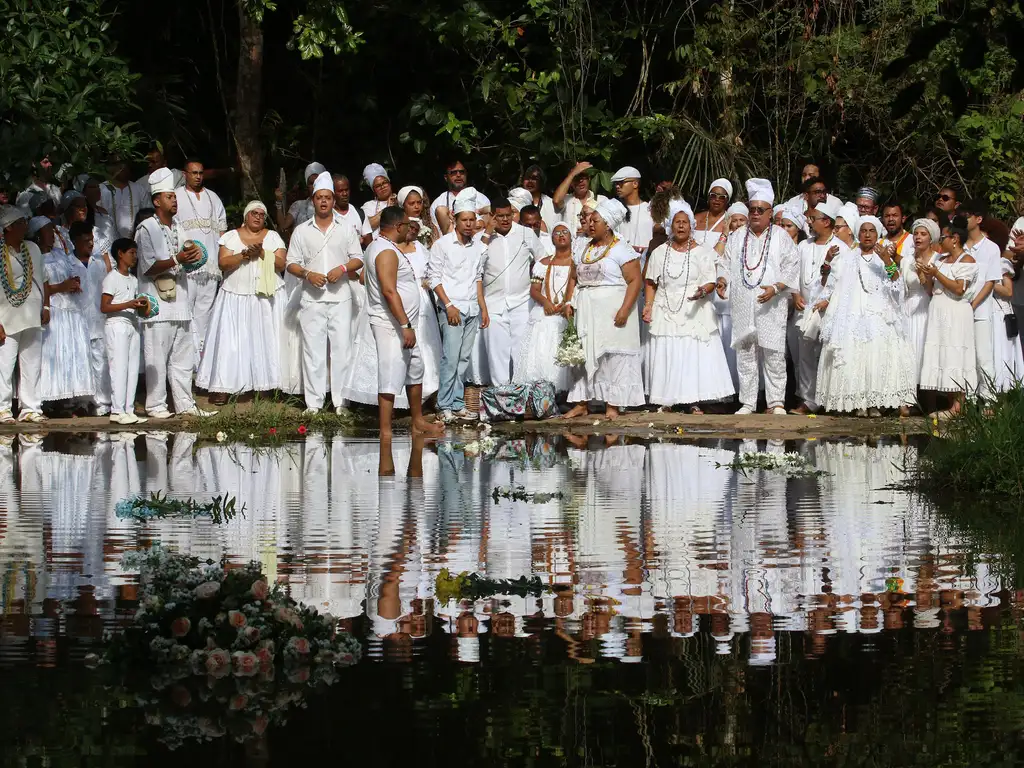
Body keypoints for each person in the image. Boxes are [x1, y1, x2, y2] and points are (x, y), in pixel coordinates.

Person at [814, 217, 916, 415]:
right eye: (863, 231)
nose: (867, 235)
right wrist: (825, 295)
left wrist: (887, 260)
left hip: (879, 313)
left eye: (872, 231)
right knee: (854, 355)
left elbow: (897, 284)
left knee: (876, 355)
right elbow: (832, 281)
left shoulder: (885, 256)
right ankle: (858, 403)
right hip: (851, 313)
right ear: (857, 234)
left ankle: (874, 403)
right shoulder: (847, 257)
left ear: (878, 234)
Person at [643, 200, 734, 412]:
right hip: (665, 308)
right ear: (671, 226)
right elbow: (650, 282)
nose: (681, 226)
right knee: (669, 354)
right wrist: (648, 305)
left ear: (691, 225)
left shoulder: (701, 252)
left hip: (694, 310)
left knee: (691, 355)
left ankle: (693, 401)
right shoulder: (659, 252)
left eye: (685, 222)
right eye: (677, 222)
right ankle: (667, 400)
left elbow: (710, 280)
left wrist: (703, 291)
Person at [286, 171, 364, 414]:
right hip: (312, 298)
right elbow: (291, 263)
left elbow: (358, 259)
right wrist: (308, 274)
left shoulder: (346, 228)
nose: (323, 202)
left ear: (332, 200)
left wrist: (341, 269)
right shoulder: (301, 230)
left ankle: (341, 402)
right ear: (313, 200)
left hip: (341, 297)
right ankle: (314, 404)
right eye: (319, 197)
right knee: (313, 351)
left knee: (342, 349)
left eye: (327, 198)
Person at [137, 168, 212, 419]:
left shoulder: (179, 226)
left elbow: (189, 258)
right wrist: (177, 258)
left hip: (181, 299)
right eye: (170, 197)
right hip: (157, 303)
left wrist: (195, 257)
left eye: (175, 197)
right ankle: (156, 405)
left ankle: (185, 404)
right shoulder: (146, 228)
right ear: (157, 201)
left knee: (182, 358)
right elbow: (148, 267)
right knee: (157, 357)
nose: (175, 200)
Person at [364, 207, 445, 437]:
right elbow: (389, 291)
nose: (411, 229)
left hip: (404, 324)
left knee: (415, 369)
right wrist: (405, 325)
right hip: (392, 325)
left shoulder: (385, 247)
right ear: (398, 226)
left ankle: (418, 421)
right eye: (408, 225)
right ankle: (386, 430)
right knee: (390, 375)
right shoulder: (384, 251)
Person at [721, 179, 799, 415]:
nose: (754, 214)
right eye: (751, 209)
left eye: (759, 210)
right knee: (746, 354)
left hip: (771, 304)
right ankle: (748, 403)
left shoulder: (780, 236)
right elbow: (724, 263)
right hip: (743, 303)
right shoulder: (736, 237)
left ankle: (776, 403)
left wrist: (776, 288)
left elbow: (792, 267)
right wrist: (722, 280)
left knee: (774, 354)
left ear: (770, 213)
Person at [562, 198, 645, 420]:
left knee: (612, 357)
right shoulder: (582, 247)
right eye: (589, 220)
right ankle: (581, 403)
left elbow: (635, 280)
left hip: (613, 311)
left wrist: (625, 310)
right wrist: (569, 301)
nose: (589, 224)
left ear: (608, 224)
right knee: (582, 355)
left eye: (595, 221)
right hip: (586, 309)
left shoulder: (621, 248)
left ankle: (613, 405)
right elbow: (573, 277)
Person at [197, 201, 287, 402]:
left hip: (266, 297)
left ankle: (267, 386)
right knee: (231, 341)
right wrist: (245, 254)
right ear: (246, 216)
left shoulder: (272, 237)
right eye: (254, 213)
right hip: (235, 295)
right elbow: (223, 263)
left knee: (267, 340)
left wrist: (262, 253)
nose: (258, 217)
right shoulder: (230, 236)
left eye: (262, 214)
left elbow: (282, 264)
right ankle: (224, 386)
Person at [427, 191, 488, 421]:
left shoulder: (478, 247)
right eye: (465, 220)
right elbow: (434, 278)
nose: (469, 224)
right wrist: (448, 305)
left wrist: (483, 307)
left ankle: (456, 402)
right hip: (452, 308)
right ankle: (444, 405)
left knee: (463, 359)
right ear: (454, 218)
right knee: (450, 358)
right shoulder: (442, 245)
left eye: (472, 220)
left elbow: (478, 278)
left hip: (472, 307)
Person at [480, 198, 545, 385]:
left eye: (509, 215)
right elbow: (474, 265)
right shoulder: (483, 239)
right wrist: (487, 233)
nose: (506, 219)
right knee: (497, 351)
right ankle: (501, 395)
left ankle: (522, 394)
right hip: (493, 302)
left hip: (522, 301)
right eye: (500, 216)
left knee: (521, 349)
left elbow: (543, 259)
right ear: (492, 216)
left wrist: (535, 282)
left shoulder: (525, 233)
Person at [789, 200, 846, 414]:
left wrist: (829, 301)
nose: (810, 222)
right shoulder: (804, 246)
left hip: (829, 309)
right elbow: (793, 273)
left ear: (827, 222)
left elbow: (843, 281)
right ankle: (808, 400)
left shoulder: (841, 248)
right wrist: (795, 294)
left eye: (813, 219)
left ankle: (829, 399)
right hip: (805, 308)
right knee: (804, 355)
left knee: (827, 355)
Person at [918, 219, 978, 415]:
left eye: (944, 237)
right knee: (943, 355)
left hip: (956, 312)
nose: (940, 240)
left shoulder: (967, 260)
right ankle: (949, 403)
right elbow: (929, 289)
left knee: (956, 354)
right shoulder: (940, 260)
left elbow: (960, 288)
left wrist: (937, 274)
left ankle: (958, 406)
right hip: (939, 311)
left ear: (955, 239)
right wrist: (925, 274)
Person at [514, 223, 577, 394]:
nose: (561, 235)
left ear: (571, 237)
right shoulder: (543, 263)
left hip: (567, 313)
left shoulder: (577, 262)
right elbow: (534, 290)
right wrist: (545, 302)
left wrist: (567, 304)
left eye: (565, 232)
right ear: (552, 239)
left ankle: (563, 394)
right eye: (557, 233)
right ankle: (540, 393)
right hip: (544, 312)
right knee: (540, 352)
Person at [39, 220, 95, 410]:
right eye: (48, 230)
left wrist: (74, 282)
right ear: (38, 234)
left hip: (71, 308)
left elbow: (71, 270)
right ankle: (50, 400)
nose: (52, 234)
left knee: (71, 353)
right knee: (54, 353)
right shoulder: (36, 256)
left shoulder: (60, 254)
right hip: (54, 309)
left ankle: (70, 400)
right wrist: (61, 287)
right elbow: (39, 285)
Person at [0, 205, 48, 423]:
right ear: (8, 228)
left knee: (32, 363)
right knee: (4, 365)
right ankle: (3, 409)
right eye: (20, 223)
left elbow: (43, 279)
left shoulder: (33, 248)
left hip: (32, 313)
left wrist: (45, 307)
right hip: (6, 316)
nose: (25, 227)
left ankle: (31, 408)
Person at [175, 159, 227, 362]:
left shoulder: (213, 198)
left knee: (205, 314)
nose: (197, 176)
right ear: (184, 174)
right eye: (193, 172)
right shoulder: (177, 196)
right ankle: (187, 360)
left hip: (211, 266)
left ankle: (202, 363)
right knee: (186, 311)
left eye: (200, 173)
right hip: (187, 265)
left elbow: (222, 231)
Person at [101, 238, 149, 425]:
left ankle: (128, 409)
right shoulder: (111, 278)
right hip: (116, 324)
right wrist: (128, 304)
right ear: (120, 254)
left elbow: (134, 304)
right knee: (118, 368)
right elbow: (104, 307)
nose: (135, 257)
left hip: (132, 324)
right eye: (131, 253)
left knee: (132, 368)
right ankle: (117, 410)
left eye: (136, 253)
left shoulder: (134, 280)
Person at [69, 220, 112, 415]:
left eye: (92, 240)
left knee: (100, 359)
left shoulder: (99, 264)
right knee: (80, 360)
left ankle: (103, 402)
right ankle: (82, 401)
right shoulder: (68, 263)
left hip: (98, 317)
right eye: (85, 240)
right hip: (77, 319)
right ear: (75, 241)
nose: (90, 244)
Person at [959, 199, 1001, 399]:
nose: (964, 219)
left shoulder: (991, 248)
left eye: (967, 215)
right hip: (958, 309)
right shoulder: (958, 247)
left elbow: (990, 282)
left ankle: (989, 400)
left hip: (981, 311)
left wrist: (973, 305)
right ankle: (968, 398)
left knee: (983, 357)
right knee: (963, 356)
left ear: (978, 219)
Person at [901, 218, 941, 403]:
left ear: (931, 238)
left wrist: (922, 275)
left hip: (927, 307)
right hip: (908, 308)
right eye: (916, 233)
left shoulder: (938, 260)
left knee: (926, 351)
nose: (918, 237)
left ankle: (930, 400)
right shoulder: (907, 260)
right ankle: (908, 399)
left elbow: (932, 290)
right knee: (908, 353)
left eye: (923, 234)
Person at [992, 253, 1023, 391]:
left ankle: (1004, 390)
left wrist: (988, 282)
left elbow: (1008, 292)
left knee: (1002, 352)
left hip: (1000, 313)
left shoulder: (1001, 263)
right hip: (985, 311)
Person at [610, 166, 654, 256]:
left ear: (635, 184)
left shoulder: (650, 209)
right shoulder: (615, 210)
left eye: (622, 182)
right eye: (616, 183)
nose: (617, 186)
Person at [100, 158, 149, 239]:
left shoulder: (139, 189)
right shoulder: (101, 189)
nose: (122, 167)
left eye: (124, 163)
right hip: (107, 243)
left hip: (134, 242)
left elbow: (147, 215)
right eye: (117, 164)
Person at [275, 161, 326, 235]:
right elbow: (283, 226)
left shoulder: (331, 206)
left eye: (317, 182)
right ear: (307, 185)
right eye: (311, 183)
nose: (315, 186)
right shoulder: (298, 205)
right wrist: (279, 202)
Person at [552, 161, 605, 231]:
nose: (580, 181)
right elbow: (556, 201)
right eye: (576, 178)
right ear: (571, 183)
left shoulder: (601, 200)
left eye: (583, 177)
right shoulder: (567, 200)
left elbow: (608, 226)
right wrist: (573, 173)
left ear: (589, 178)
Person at [432, 159, 469, 235]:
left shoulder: (481, 199)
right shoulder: (438, 203)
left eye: (461, 172)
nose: (458, 175)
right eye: (453, 173)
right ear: (446, 177)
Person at [360, 163, 395, 243]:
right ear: (374, 190)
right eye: (378, 186)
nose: (382, 187)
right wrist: (387, 209)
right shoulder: (368, 205)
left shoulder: (401, 199)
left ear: (389, 183)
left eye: (384, 182)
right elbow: (366, 226)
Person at [693, 179, 732, 247]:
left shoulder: (730, 221)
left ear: (727, 200)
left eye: (722, 197)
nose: (717, 199)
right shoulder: (696, 218)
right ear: (708, 197)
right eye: (713, 195)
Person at [520, 165, 557, 232]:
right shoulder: (516, 201)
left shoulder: (550, 204)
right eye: (527, 178)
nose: (530, 181)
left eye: (534, 179)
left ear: (541, 182)